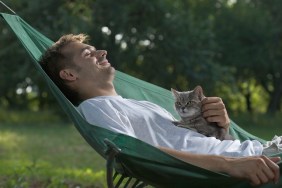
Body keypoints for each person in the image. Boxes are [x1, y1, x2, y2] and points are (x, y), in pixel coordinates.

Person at [39, 34, 281, 186]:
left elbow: (191, 144)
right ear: (69, 74)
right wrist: (228, 164)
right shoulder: (95, 109)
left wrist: (222, 126)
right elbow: (142, 155)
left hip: (256, 151)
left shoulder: (141, 105)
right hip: (255, 163)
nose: (102, 52)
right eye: (88, 54)